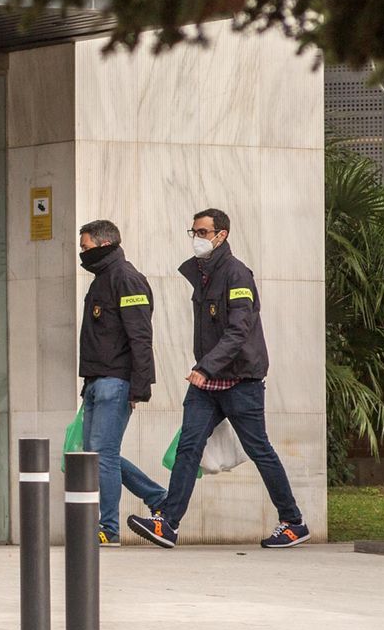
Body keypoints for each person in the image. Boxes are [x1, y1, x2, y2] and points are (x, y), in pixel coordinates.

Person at [128, 209, 309, 549]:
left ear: (221, 235)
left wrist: (206, 367)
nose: (196, 237)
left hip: (240, 378)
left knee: (259, 449)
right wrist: (206, 369)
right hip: (208, 382)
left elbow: (240, 329)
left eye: (202, 231)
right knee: (189, 447)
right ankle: (168, 523)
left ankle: (293, 522)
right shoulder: (204, 273)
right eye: (193, 231)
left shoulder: (237, 274)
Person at [76, 219, 166, 545]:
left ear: (104, 244)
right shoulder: (103, 280)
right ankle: (160, 499)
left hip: (116, 382)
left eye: (85, 247)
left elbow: (140, 337)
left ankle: (108, 529)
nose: (81, 253)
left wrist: (140, 387)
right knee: (97, 455)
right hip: (97, 381)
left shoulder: (126, 279)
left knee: (102, 455)